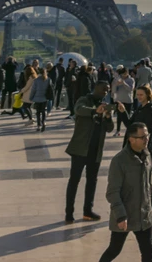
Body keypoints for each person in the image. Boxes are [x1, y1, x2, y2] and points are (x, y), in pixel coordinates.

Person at [98, 122, 152, 262]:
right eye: (142, 137)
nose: (146, 139)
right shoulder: (119, 161)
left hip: (144, 214)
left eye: (147, 135)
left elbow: (148, 185)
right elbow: (112, 192)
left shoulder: (147, 155)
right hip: (125, 214)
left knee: (148, 251)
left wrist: (151, 208)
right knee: (114, 249)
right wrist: (120, 216)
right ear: (131, 139)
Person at [66, 82, 116, 223]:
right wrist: (95, 111)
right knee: (74, 180)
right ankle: (69, 212)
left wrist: (108, 116)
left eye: (107, 90)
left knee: (92, 180)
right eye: (103, 89)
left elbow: (109, 128)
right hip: (80, 148)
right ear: (96, 88)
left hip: (95, 149)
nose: (105, 92)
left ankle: (88, 210)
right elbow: (79, 110)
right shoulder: (84, 100)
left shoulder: (104, 105)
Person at [29, 66, 53, 131]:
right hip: (45, 98)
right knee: (43, 111)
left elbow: (33, 90)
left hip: (37, 98)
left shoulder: (36, 80)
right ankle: (44, 122)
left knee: (38, 112)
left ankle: (39, 125)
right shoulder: (48, 80)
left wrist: (31, 97)